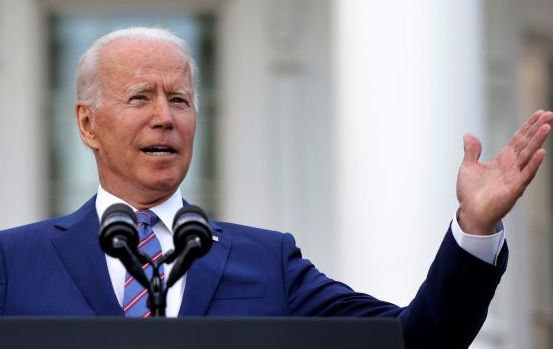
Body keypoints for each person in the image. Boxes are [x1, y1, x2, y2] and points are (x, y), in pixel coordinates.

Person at [0, 27, 551, 348]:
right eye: (141, 97)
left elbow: (417, 340)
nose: (165, 118)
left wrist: (475, 228)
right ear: (87, 124)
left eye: (182, 100)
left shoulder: (267, 260)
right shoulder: (14, 261)